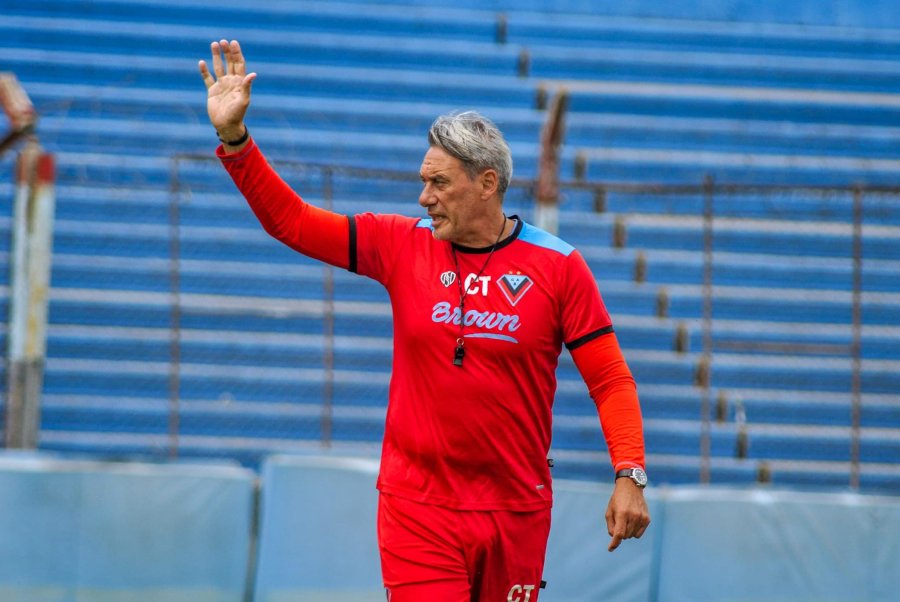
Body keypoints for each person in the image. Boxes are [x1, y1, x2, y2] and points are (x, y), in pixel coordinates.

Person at [199, 39, 650, 601]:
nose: (423, 197)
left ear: (487, 184)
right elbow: (291, 222)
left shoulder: (559, 266)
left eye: (439, 183)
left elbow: (610, 380)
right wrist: (235, 139)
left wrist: (629, 474)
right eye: (423, 181)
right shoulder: (399, 243)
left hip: (516, 510)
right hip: (417, 508)